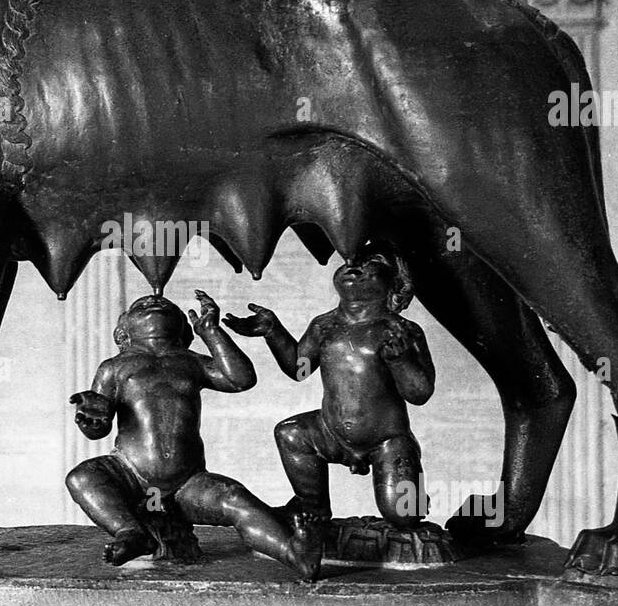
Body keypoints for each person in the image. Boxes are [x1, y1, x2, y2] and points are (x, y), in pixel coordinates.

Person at [67, 291, 323, 580]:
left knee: (234, 499)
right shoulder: (114, 367)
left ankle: (294, 554)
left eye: (165, 304)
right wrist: (91, 421)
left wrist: (212, 332)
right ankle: (131, 532)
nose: (154, 301)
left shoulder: (190, 362)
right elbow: (99, 425)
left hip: (188, 482)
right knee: (82, 477)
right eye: (141, 306)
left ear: (182, 327)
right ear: (123, 331)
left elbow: (240, 379)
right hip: (130, 474)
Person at [224, 246, 435, 529]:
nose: (354, 266)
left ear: (395, 284)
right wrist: (273, 331)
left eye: (372, 263)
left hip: (387, 438)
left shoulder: (400, 330)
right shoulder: (324, 325)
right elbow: (299, 369)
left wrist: (401, 360)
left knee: (405, 516)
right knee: (291, 433)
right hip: (330, 431)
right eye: (351, 260)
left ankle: (415, 497)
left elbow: (420, 393)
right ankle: (313, 507)